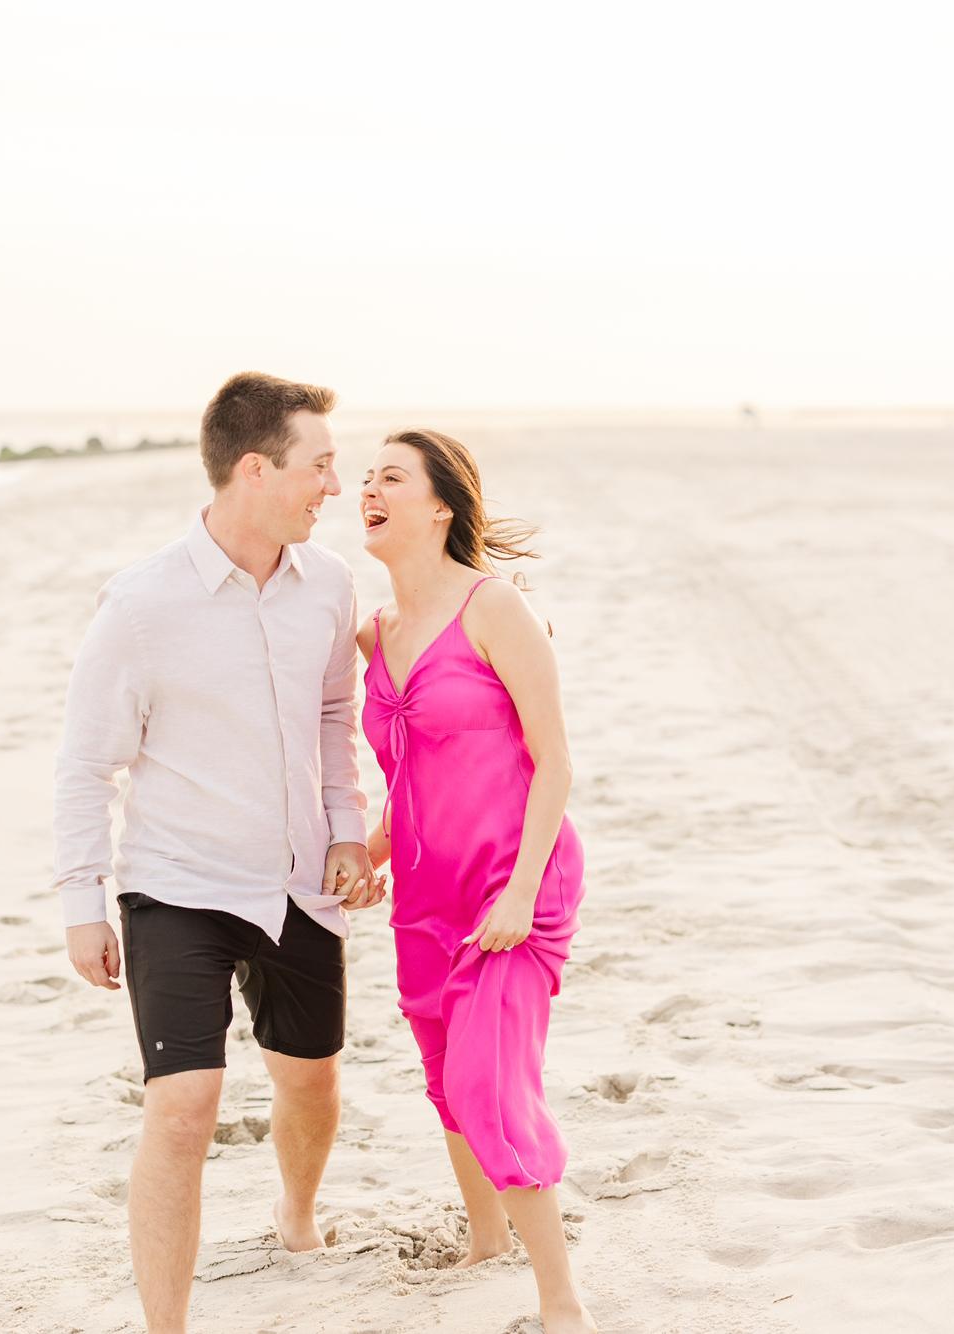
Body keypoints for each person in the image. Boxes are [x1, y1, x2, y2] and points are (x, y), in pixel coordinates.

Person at [53, 371, 384, 1334]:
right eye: (320, 465)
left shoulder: (325, 584)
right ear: (254, 469)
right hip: (177, 885)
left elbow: (334, 714)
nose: (335, 484)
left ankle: (297, 1212)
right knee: (185, 1107)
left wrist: (348, 828)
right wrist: (82, 900)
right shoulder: (142, 605)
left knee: (310, 1078)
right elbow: (87, 766)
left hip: (298, 883)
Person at [357, 428, 596, 1334]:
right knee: (445, 1077)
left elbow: (555, 763)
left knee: (491, 1083)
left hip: (512, 879)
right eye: (364, 478)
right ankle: (485, 1242)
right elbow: (413, 777)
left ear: (441, 507)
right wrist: (368, 855)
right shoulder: (374, 632)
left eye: (392, 478)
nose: (369, 490)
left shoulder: (494, 608)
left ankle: (562, 1303)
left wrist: (519, 893)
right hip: (426, 894)